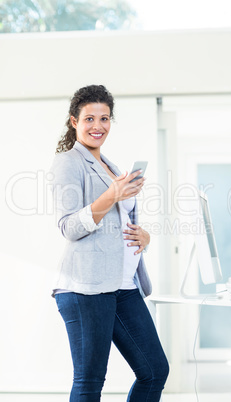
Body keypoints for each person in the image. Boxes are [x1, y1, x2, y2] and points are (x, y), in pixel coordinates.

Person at [50, 84, 169, 402]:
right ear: (74, 122)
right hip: (85, 288)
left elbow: (117, 224)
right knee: (90, 381)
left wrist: (142, 235)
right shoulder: (68, 163)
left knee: (155, 371)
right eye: (89, 119)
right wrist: (112, 194)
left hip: (123, 285)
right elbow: (69, 227)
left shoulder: (113, 168)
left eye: (104, 118)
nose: (98, 126)